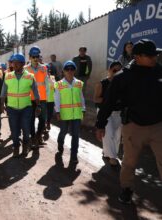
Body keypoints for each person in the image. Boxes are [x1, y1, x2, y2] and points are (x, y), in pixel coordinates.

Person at [96, 39, 162, 204]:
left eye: (156, 54)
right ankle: (126, 189)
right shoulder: (123, 77)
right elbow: (108, 101)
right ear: (137, 57)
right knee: (129, 162)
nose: (155, 58)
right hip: (133, 126)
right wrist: (100, 124)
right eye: (151, 55)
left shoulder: (159, 71)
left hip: (158, 125)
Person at [1, 53, 40, 157]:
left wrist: (38, 106)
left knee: (26, 129)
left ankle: (26, 145)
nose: (15, 65)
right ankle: (16, 147)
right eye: (13, 63)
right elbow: (3, 92)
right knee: (14, 130)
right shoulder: (8, 76)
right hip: (12, 108)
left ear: (23, 64)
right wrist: (2, 105)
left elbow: (36, 92)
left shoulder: (30, 76)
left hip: (26, 108)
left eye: (17, 63)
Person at [55, 60, 86, 164]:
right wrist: (57, 112)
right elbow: (57, 99)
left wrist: (83, 109)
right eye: (67, 69)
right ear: (63, 71)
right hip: (64, 114)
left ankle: (74, 156)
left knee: (76, 135)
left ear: (74, 71)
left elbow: (81, 97)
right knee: (63, 132)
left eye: (72, 69)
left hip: (76, 113)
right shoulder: (59, 84)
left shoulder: (78, 83)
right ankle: (60, 143)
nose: (69, 71)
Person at [93, 61, 122, 166]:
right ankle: (113, 157)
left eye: (120, 70)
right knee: (108, 133)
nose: (117, 72)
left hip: (119, 112)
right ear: (109, 70)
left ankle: (107, 153)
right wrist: (109, 100)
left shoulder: (123, 84)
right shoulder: (102, 83)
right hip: (105, 112)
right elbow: (96, 99)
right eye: (114, 70)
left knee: (117, 135)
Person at [25, 46, 50, 147]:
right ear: (30, 57)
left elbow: (47, 84)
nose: (35, 59)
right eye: (33, 56)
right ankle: (33, 137)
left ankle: (39, 135)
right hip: (30, 99)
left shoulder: (44, 68)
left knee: (43, 119)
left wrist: (47, 98)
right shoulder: (25, 69)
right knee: (30, 119)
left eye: (37, 56)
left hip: (42, 98)